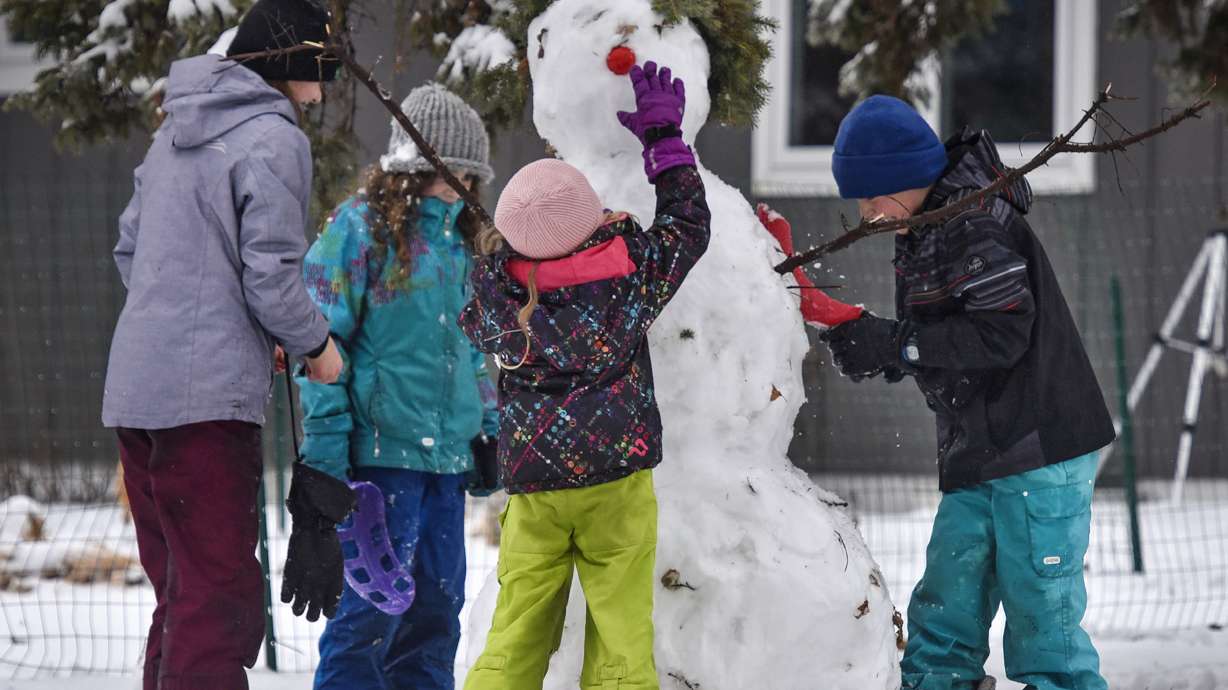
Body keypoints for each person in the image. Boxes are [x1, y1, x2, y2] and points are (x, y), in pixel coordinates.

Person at [818, 95, 1116, 690]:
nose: (867, 211)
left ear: (908, 177)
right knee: (946, 609)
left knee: (1044, 626)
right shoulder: (928, 224)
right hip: (981, 448)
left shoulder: (972, 221)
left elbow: (1002, 333)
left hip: (1039, 446)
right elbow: (947, 334)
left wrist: (897, 345)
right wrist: (881, 343)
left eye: (874, 195)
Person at [101, 1, 353, 688]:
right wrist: (316, 348)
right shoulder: (274, 139)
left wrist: (206, 323)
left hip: (137, 390)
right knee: (218, 600)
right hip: (203, 405)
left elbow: (131, 250)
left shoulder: (175, 133)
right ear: (292, 59)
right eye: (321, 61)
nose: (327, 80)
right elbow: (270, 275)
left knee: (183, 594)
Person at [458, 61, 709, 690]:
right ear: (591, 219)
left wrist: (498, 254)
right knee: (622, 632)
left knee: (516, 631)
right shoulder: (630, 280)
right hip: (616, 483)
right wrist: (663, 142)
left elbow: (479, 296)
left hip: (536, 485)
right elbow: (688, 228)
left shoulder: (498, 299)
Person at [298, 82, 501, 689]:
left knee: (437, 612)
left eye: (469, 172)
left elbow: (473, 353)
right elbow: (318, 350)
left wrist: (487, 432)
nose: (460, 183)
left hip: (444, 465)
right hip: (378, 464)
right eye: (450, 169)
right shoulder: (360, 233)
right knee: (369, 617)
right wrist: (327, 459)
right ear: (412, 168)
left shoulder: (464, 245)